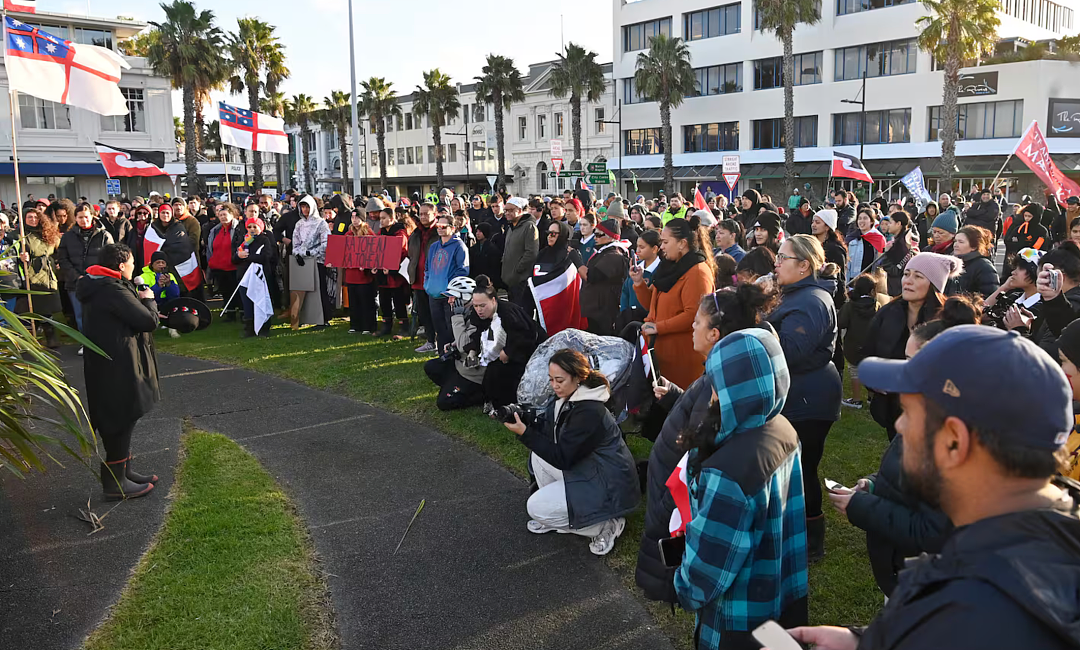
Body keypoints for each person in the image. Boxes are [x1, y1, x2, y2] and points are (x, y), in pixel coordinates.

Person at [792, 325, 1080, 650]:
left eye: (909, 413)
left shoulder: (977, 611)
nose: (899, 425)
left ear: (954, 442)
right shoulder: (1052, 530)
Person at [635, 283, 778, 603]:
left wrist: (665, 508)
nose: (693, 327)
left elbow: (701, 451)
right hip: (669, 488)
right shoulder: (720, 374)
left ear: (715, 333)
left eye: (697, 321)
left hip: (675, 497)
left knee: (672, 575)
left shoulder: (719, 384)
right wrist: (676, 397)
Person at [831, 298, 977, 597]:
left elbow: (936, 532)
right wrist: (873, 484)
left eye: (913, 361)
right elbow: (905, 472)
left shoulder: (954, 436)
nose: (903, 367)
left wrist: (861, 507)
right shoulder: (925, 410)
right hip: (905, 576)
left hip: (928, 588)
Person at [675, 327, 808, 649]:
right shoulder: (781, 428)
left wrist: (680, 584)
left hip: (736, 620)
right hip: (780, 594)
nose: (712, 395)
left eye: (718, 384)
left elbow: (704, 575)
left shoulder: (729, 472)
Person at [503, 348, 639, 556]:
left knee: (536, 508)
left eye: (559, 380)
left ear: (578, 378)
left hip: (610, 482)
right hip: (592, 468)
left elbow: (562, 457)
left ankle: (606, 525)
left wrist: (525, 433)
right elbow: (551, 437)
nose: (554, 386)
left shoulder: (590, 410)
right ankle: (560, 514)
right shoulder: (569, 397)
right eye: (551, 379)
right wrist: (526, 421)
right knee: (538, 455)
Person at [765, 234, 842, 562]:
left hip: (809, 397)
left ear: (804, 266)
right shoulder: (796, 293)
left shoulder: (811, 300)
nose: (776, 263)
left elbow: (790, 351)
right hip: (799, 392)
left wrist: (758, 323)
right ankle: (791, 532)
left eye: (783, 257)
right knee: (786, 468)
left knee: (801, 468)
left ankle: (812, 542)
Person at [76, 243, 160, 500]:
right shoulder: (110, 289)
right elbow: (147, 321)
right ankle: (114, 483)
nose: (134, 267)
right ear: (121, 265)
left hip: (113, 359)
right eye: (132, 262)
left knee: (124, 416)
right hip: (117, 363)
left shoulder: (102, 283)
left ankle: (124, 471)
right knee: (120, 416)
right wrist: (149, 300)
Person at [860, 253, 955, 441]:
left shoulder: (946, 322)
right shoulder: (887, 312)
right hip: (891, 406)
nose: (908, 281)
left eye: (918, 276)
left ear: (934, 285)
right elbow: (867, 352)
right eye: (906, 274)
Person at [632, 216, 717, 390]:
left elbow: (694, 314)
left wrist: (659, 327)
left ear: (682, 243)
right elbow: (653, 306)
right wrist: (639, 283)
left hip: (682, 359)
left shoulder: (698, 271)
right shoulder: (669, 267)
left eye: (665, 242)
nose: (661, 247)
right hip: (661, 353)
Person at [467, 274, 545, 409]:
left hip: (530, 350)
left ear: (493, 300)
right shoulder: (480, 315)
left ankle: (509, 404)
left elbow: (525, 334)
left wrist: (508, 351)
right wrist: (473, 349)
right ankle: (492, 401)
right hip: (503, 352)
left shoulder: (508, 312)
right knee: (492, 372)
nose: (479, 310)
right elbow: (480, 333)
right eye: (475, 306)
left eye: (482, 305)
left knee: (502, 373)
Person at [423, 277, 486, 410]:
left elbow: (465, 345)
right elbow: (461, 341)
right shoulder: (466, 312)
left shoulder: (479, 316)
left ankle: (481, 396)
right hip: (460, 366)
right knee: (431, 366)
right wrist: (453, 345)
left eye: (454, 297)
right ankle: (453, 387)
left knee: (443, 403)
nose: (450, 300)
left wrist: (456, 317)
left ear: (467, 297)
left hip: (473, 373)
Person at [57, 202, 114, 336]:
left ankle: (102, 341)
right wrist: (77, 277)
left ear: (93, 216)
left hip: (98, 282)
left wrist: (98, 276)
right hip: (75, 283)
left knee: (100, 313)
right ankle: (86, 343)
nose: (84, 220)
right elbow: (63, 259)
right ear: (75, 218)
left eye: (87, 217)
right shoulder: (68, 237)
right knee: (80, 315)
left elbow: (111, 259)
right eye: (80, 217)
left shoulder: (104, 235)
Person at [13, 208, 62, 347]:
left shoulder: (48, 233)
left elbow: (58, 250)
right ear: (24, 219)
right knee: (31, 308)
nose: (33, 219)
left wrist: (57, 262)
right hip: (31, 274)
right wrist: (23, 257)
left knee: (47, 309)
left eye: (36, 217)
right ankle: (29, 340)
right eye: (30, 217)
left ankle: (50, 336)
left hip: (48, 274)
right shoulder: (20, 236)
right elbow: (15, 254)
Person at [838, 273, 889, 409]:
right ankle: (871, 398)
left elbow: (841, 322)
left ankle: (856, 399)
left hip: (853, 345)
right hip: (871, 345)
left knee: (854, 370)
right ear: (872, 290)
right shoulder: (877, 305)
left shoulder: (850, 306)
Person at [424, 212, 470, 354]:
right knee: (439, 326)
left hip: (449, 295)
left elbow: (462, 270)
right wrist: (427, 284)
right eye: (438, 226)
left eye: (443, 226)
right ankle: (442, 354)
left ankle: (453, 353)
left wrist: (453, 292)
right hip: (433, 293)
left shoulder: (459, 246)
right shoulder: (434, 246)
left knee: (451, 327)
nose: (440, 229)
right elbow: (427, 268)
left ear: (452, 227)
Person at [289, 195, 332, 329]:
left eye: (307, 206)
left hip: (317, 261)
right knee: (303, 289)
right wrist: (298, 253)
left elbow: (326, 243)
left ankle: (323, 318)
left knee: (319, 290)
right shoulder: (299, 224)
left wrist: (311, 253)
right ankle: (305, 317)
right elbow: (295, 242)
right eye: (302, 206)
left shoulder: (321, 223)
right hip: (302, 261)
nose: (305, 209)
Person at [580, 218, 629, 336]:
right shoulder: (605, 252)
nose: (595, 238)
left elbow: (592, 276)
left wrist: (577, 262)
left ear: (611, 237)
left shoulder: (614, 255)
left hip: (604, 310)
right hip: (597, 308)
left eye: (598, 234)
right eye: (594, 234)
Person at [233, 216, 277, 337]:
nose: (252, 229)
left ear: (261, 228)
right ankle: (249, 328)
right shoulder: (244, 241)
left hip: (259, 277)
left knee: (260, 301)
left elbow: (266, 256)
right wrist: (239, 256)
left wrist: (247, 257)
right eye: (249, 227)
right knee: (247, 303)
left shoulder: (265, 240)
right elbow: (234, 258)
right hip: (244, 277)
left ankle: (264, 327)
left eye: (255, 226)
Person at [984, 247, 1044, 330]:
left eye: (1020, 268)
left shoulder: (1042, 306)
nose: (1013, 272)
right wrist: (1004, 287)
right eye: (1015, 268)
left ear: (1035, 271)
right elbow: (981, 314)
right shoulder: (1014, 297)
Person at [373, 208, 410, 337]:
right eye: (380, 219)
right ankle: (386, 325)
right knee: (384, 300)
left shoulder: (400, 233)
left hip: (396, 275)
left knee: (399, 300)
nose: (381, 221)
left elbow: (401, 252)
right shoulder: (380, 233)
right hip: (383, 274)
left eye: (384, 218)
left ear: (392, 218)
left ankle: (404, 326)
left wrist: (391, 266)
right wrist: (374, 265)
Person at [408, 202, 439, 352]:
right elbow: (411, 252)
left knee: (436, 312)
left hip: (434, 279)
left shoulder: (439, 232)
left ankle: (440, 340)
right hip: (418, 279)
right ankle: (430, 340)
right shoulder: (416, 233)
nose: (423, 216)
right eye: (421, 214)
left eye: (426, 213)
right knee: (424, 312)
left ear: (435, 214)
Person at [500, 197, 539, 309]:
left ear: (521, 210)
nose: (507, 213)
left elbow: (531, 253)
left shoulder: (529, 227)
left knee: (521, 312)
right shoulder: (511, 227)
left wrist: (518, 270)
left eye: (511, 210)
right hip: (511, 280)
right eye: (506, 210)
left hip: (521, 280)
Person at [206, 203, 241, 321]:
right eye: (220, 215)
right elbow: (211, 247)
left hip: (234, 266)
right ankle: (230, 313)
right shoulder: (215, 231)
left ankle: (242, 313)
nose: (222, 217)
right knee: (225, 292)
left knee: (237, 292)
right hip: (219, 267)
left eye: (225, 215)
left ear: (232, 215)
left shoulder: (238, 229)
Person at [344, 213, 377, 334]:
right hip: (351, 273)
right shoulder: (348, 234)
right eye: (352, 217)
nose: (355, 220)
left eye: (357, 217)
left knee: (366, 300)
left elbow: (374, 250)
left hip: (364, 275)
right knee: (353, 301)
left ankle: (368, 325)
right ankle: (355, 324)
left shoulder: (368, 233)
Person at [951, 224, 999, 297]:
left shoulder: (984, 267)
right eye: (955, 241)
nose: (955, 245)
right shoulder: (951, 262)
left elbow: (990, 295)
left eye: (961, 242)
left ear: (974, 247)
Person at [620, 229, 659, 315]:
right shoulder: (636, 266)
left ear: (654, 249)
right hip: (629, 316)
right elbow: (625, 291)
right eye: (637, 246)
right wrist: (623, 313)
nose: (638, 250)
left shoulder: (660, 270)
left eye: (642, 247)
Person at [878, 210, 917, 296]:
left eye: (890, 223)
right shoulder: (899, 241)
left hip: (899, 291)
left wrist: (886, 254)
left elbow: (896, 270)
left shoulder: (902, 244)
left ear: (898, 224)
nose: (888, 226)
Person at [1003, 203, 1049, 275]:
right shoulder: (1019, 228)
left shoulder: (1042, 231)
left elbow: (1039, 247)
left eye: (1029, 216)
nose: (1027, 218)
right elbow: (1009, 241)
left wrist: (1024, 249)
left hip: (1032, 262)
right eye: (1025, 216)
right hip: (1017, 260)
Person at [846, 207, 886, 283]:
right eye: (859, 218)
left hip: (870, 281)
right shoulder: (852, 238)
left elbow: (880, 263)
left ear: (871, 221)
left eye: (865, 218)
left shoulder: (878, 238)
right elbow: (847, 264)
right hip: (853, 280)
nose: (861, 221)